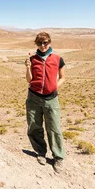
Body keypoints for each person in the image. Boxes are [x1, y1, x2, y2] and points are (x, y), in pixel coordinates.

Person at [24, 32, 66, 173]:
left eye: (45, 43)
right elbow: (29, 80)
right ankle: (41, 153)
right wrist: (28, 67)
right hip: (34, 98)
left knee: (54, 128)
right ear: (36, 44)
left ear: (50, 42)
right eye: (39, 43)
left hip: (51, 98)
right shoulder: (33, 59)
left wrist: (55, 86)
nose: (43, 46)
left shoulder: (57, 59)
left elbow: (62, 77)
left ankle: (58, 158)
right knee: (34, 126)